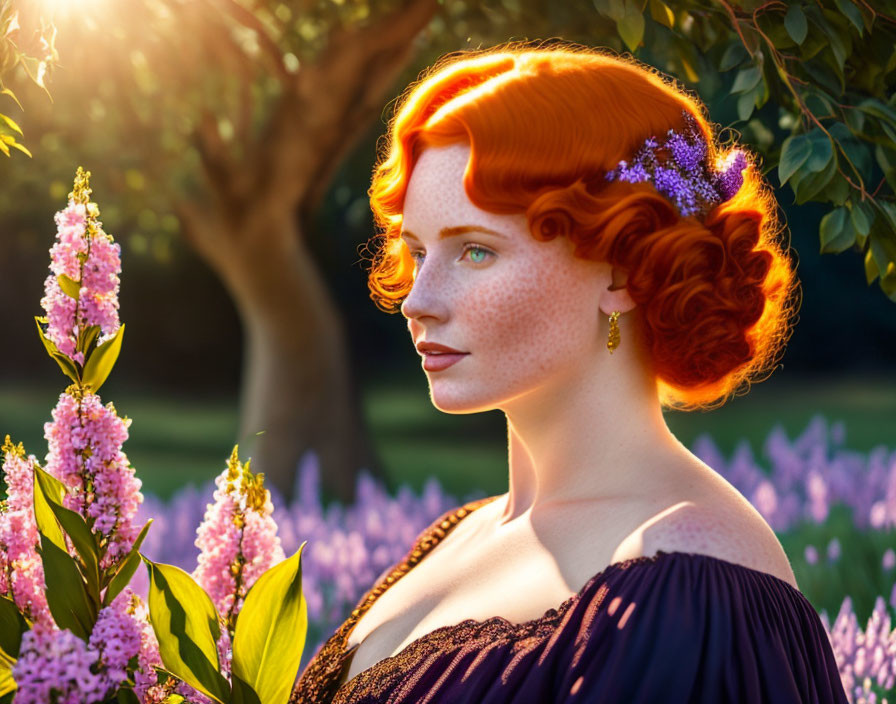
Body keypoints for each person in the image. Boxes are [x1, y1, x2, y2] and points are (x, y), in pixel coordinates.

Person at [290, 41, 849, 703]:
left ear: (620, 269)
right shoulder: (455, 535)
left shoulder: (690, 580)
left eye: (474, 251)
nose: (418, 298)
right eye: (416, 250)